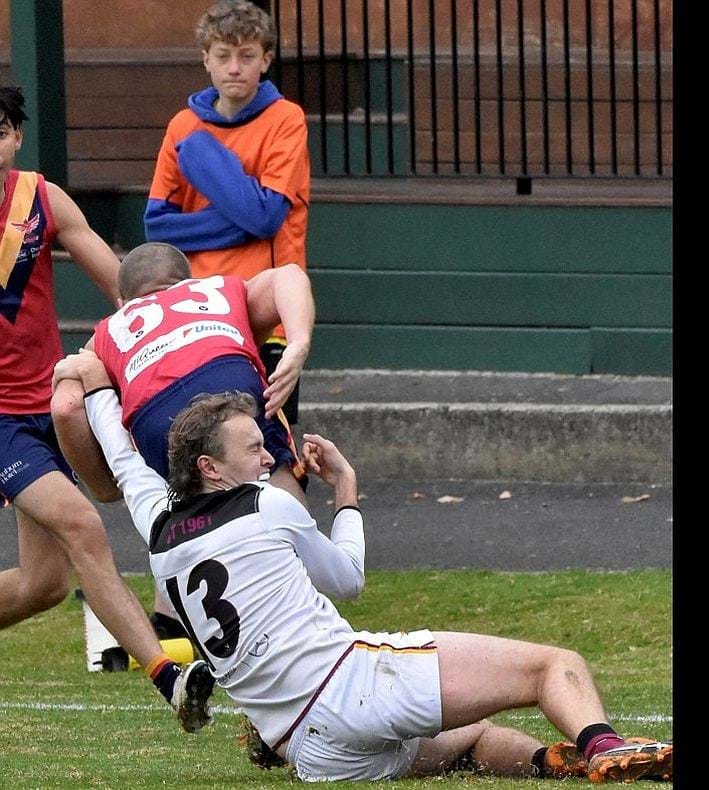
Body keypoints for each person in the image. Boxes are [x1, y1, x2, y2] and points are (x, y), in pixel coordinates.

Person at [72, 367, 672, 783]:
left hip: (310, 751)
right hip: (353, 686)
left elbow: (125, 462)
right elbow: (349, 578)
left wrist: (96, 385)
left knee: (471, 741)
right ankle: (608, 749)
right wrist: (347, 488)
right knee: (556, 666)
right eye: (254, 449)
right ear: (210, 467)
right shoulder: (267, 505)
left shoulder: (156, 531)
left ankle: (549, 763)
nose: (267, 458)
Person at [0, 85, 214, 731]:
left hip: (50, 402)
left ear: (15, 137)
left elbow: (127, 293)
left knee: (43, 587)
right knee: (84, 527)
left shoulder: (39, 198)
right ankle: (169, 677)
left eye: (2, 127)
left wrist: (181, 337)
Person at [50, 241, 312, 640]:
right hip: (228, 381)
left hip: (159, 418)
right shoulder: (220, 289)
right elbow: (289, 275)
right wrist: (297, 344)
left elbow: (67, 407)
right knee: (274, 489)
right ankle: (297, 593)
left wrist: (105, 486)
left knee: (190, 509)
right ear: (188, 282)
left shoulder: (109, 331)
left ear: (122, 301)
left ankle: (194, 620)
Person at [144, 0, 310, 426]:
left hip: (268, 309)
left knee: (272, 443)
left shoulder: (286, 119)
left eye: (247, 56)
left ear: (266, 60)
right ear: (206, 60)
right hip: (200, 311)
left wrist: (202, 158)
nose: (234, 67)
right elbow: (157, 226)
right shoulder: (182, 127)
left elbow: (269, 218)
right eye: (223, 55)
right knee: (204, 447)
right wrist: (246, 220)